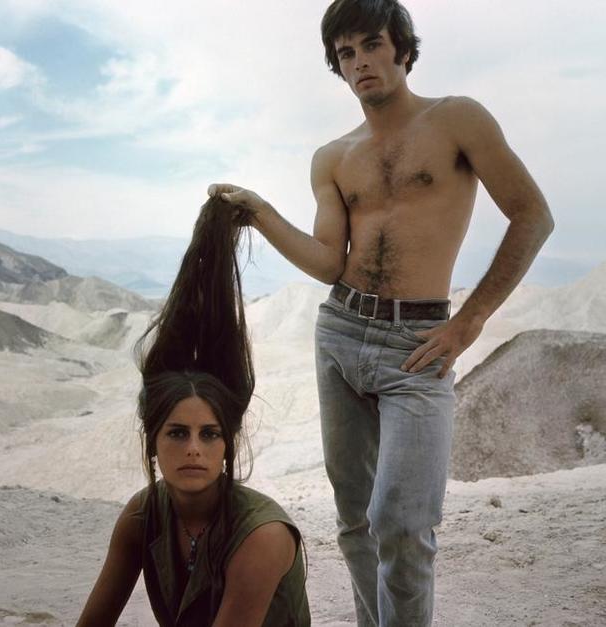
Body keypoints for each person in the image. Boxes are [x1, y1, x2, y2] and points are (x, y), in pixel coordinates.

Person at [208, 1, 554, 625]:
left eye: (372, 44)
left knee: (402, 523)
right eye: (346, 53)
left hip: (418, 342)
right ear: (337, 67)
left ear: (403, 50)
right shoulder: (332, 156)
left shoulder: (458, 119)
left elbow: (533, 215)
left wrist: (469, 321)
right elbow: (327, 262)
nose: (360, 61)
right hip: (341, 333)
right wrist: (258, 211)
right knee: (354, 519)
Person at [77, 197, 311, 627]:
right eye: (177, 432)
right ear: (152, 441)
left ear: (227, 445)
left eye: (210, 434)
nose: (194, 449)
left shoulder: (262, 535)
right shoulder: (142, 516)